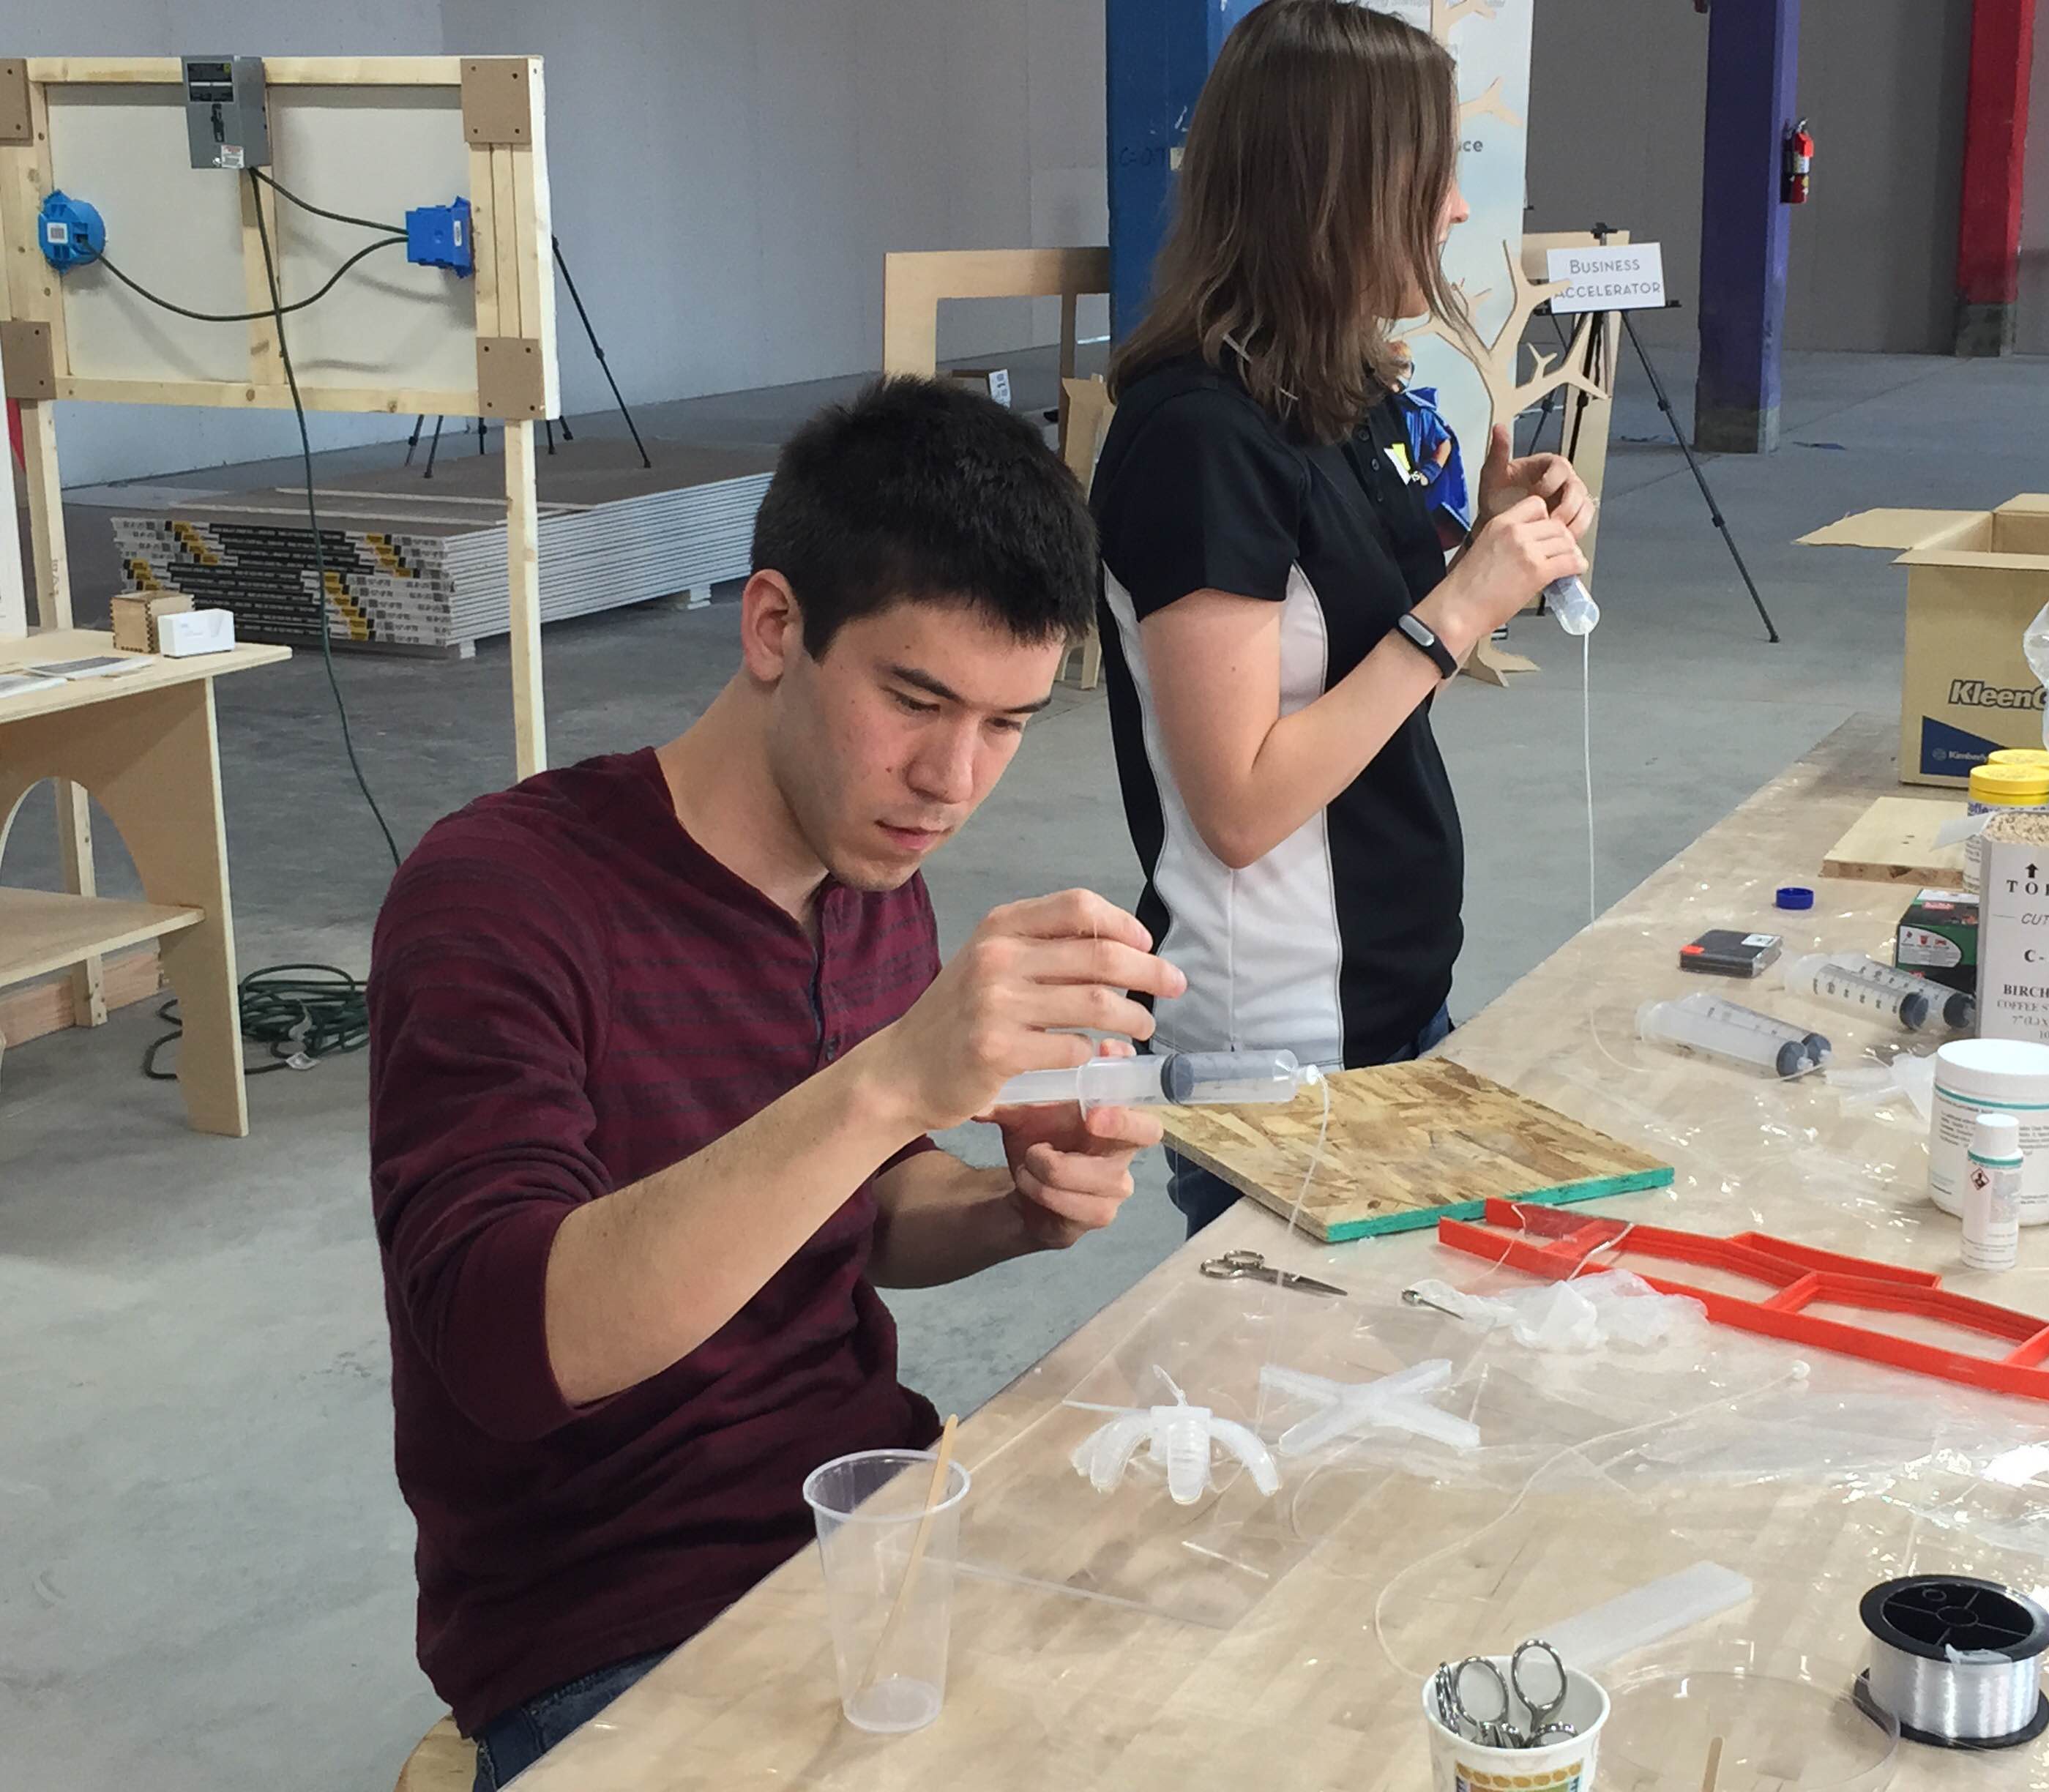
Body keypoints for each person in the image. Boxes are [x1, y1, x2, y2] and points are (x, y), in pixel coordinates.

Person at [367, 378, 1184, 1790]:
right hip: (607, 1618)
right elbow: (506, 1346)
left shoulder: (874, 878)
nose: (951, 779)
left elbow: (854, 1211)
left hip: (871, 1518)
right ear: (773, 627)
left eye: (1007, 723)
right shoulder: (501, 898)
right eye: (914, 699)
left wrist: (1010, 1210)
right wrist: (895, 1077)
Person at [1089, 0, 1595, 1233]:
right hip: (1282, 1041)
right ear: (1333, 188)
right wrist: (1457, 612)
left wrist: (1484, 542)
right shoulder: (1198, 441)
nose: (1456, 211)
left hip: (1392, 994)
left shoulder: (1338, 388)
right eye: (1432, 177)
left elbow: (1347, 653)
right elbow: (1240, 807)